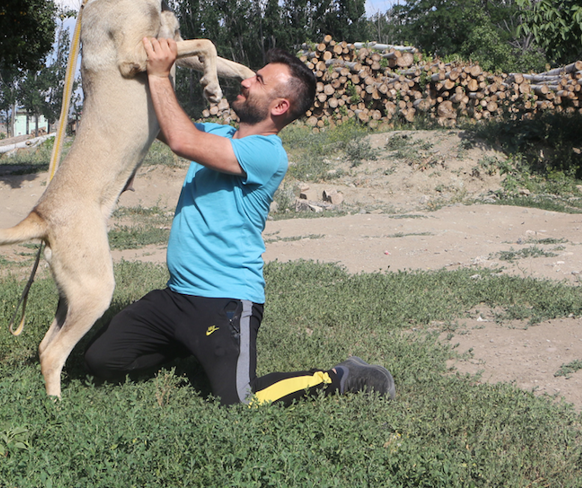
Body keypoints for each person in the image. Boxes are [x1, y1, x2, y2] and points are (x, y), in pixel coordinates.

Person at [84, 37, 395, 405]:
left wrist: (159, 73)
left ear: (280, 106)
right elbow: (165, 127)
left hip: (226, 302)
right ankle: (195, 347)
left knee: (242, 400)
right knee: (100, 361)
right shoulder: (216, 134)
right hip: (175, 296)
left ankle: (342, 376)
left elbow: (183, 140)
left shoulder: (267, 154)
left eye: (259, 80)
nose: (246, 81)